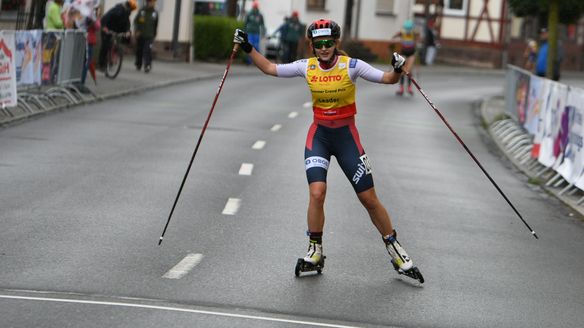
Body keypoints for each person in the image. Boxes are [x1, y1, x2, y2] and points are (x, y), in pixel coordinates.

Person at [232, 19, 419, 276]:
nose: (323, 48)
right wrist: (247, 47)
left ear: (336, 43)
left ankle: (395, 248)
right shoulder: (306, 67)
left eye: (328, 43)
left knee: (368, 198)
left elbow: (388, 79)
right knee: (317, 192)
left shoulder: (351, 66)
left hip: (346, 137)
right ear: (312, 45)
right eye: (318, 44)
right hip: (319, 136)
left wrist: (397, 69)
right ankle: (315, 249)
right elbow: (270, 68)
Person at [98, 0, 137, 70]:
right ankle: (101, 64)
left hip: (115, 31)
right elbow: (105, 18)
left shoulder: (126, 14)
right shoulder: (116, 10)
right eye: (131, 8)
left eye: (132, 9)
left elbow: (127, 23)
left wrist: (128, 31)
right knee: (105, 46)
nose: (131, 11)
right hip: (107, 30)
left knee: (119, 42)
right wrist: (104, 27)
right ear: (127, 6)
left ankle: (114, 56)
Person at [392, 19, 419, 95]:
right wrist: (393, 39)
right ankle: (401, 88)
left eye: (409, 28)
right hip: (404, 52)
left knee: (409, 70)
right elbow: (395, 36)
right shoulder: (402, 32)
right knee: (403, 70)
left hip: (411, 53)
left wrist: (417, 42)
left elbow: (418, 38)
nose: (408, 30)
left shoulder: (414, 32)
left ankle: (409, 88)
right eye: (407, 28)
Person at [134, 0, 159, 73]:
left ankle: (147, 65)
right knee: (139, 50)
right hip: (141, 34)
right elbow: (136, 21)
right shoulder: (142, 11)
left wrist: (154, 34)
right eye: (151, 2)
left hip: (150, 35)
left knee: (147, 50)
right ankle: (138, 64)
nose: (152, 3)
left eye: (153, 2)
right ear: (147, 2)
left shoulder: (155, 13)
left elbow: (156, 24)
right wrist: (137, 30)